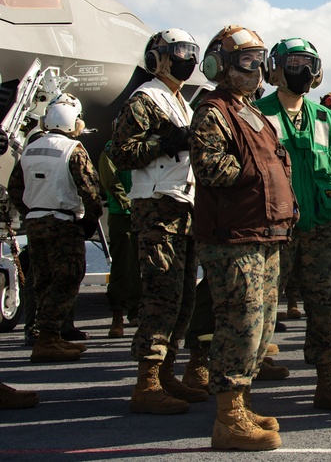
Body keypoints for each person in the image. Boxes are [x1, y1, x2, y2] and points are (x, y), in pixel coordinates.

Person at [190, 24, 297, 451]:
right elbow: (212, 168)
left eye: (259, 60)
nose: (257, 69)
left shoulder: (251, 111)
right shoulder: (213, 110)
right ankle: (227, 419)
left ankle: (243, 402)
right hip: (233, 237)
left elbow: (277, 165)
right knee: (240, 323)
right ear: (221, 66)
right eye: (248, 61)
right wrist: (259, 175)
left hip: (266, 233)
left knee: (261, 325)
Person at [256, 37, 331, 413]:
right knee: (262, 309)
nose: (302, 69)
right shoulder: (257, 114)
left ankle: (327, 383)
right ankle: (243, 388)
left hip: (321, 229)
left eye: (308, 62)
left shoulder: (325, 118)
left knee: (325, 306)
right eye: (294, 61)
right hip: (274, 230)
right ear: (276, 68)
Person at [110, 28, 206, 414]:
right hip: (157, 208)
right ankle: (146, 381)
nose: (186, 58)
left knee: (183, 296)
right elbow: (121, 152)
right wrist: (165, 142)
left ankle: (166, 371)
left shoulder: (180, 101)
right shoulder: (145, 98)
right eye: (178, 52)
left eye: (190, 51)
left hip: (184, 207)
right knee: (161, 295)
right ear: (157, 59)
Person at [7, 93, 102, 363]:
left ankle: (49, 335)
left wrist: (31, 211)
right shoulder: (74, 150)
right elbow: (90, 190)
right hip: (63, 223)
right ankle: (47, 336)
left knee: (43, 280)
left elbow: (16, 188)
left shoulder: (31, 149)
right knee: (68, 278)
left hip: (35, 222)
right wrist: (90, 221)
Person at [98, 132, 139, 337]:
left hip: (144, 212)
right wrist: (128, 202)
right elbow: (110, 179)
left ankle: (137, 312)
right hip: (122, 215)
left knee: (144, 266)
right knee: (122, 267)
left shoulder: (145, 145)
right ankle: (117, 317)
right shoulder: (111, 147)